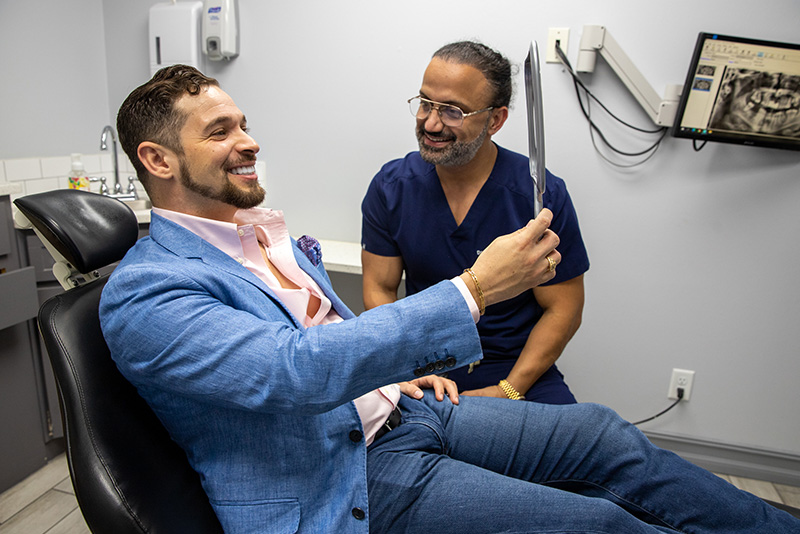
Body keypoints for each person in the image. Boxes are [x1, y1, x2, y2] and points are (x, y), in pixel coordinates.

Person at [99, 64, 799, 534]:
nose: (249, 142)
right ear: (158, 160)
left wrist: (396, 374)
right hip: (344, 469)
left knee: (605, 436)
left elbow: (335, 327)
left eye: (243, 123)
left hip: (400, 410)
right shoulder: (146, 294)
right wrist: (473, 289)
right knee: (597, 524)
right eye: (220, 132)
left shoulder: (256, 235)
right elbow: (293, 369)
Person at [361, 41, 588, 404]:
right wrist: (407, 366)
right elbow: (380, 290)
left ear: (495, 120)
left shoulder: (538, 197)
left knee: (579, 449)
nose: (431, 123)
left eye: (453, 111)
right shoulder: (392, 189)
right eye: (425, 104)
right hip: (424, 366)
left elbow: (563, 307)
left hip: (515, 368)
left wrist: (510, 389)